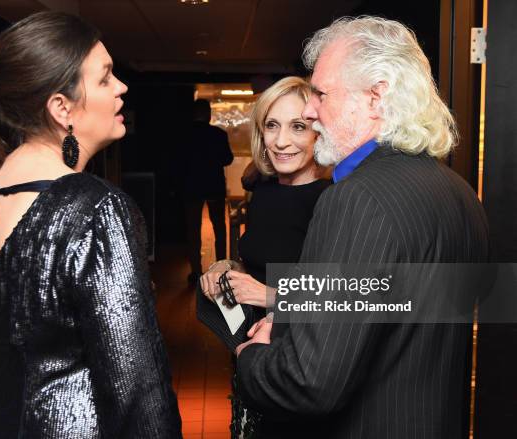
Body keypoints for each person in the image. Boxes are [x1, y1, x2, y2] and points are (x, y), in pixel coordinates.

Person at [0, 12, 181, 438]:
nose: (122, 87)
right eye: (105, 78)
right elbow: (138, 393)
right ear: (62, 108)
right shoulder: (96, 210)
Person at [234, 16, 489, 438]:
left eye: (320, 93)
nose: (311, 111)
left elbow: (310, 382)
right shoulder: (458, 192)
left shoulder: (358, 199)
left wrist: (250, 358)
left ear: (376, 97)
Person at [198, 76, 330, 438]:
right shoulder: (267, 192)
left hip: (298, 375)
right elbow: (260, 261)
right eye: (272, 125)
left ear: (319, 132)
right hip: (252, 360)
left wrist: (268, 295)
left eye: (298, 127)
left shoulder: (332, 202)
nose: (281, 141)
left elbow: (344, 301)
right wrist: (228, 266)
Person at [180, 99, 234, 284]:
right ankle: (221, 269)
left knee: (193, 230)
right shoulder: (219, 134)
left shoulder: (184, 135)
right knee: (219, 227)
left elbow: (178, 162)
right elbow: (228, 159)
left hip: (192, 188)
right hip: (214, 186)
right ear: (208, 114)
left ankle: (196, 272)